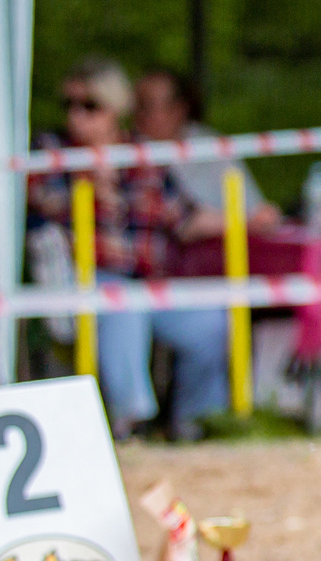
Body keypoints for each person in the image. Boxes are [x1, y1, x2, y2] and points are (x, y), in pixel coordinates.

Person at [29, 58, 230, 438]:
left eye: (89, 105)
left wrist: (248, 219)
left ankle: (199, 425)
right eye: (68, 105)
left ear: (115, 108)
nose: (76, 116)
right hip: (82, 284)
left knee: (210, 323)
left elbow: (182, 217)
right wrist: (83, 184)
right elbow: (39, 201)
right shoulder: (52, 151)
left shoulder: (142, 154)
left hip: (149, 281)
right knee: (124, 301)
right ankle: (132, 423)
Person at [132, 68, 283, 240]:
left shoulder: (209, 143)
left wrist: (258, 219)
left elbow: (254, 207)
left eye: (148, 105)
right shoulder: (130, 152)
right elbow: (185, 222)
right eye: (137, 105)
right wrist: (245, 222)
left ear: (179, 108)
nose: (138, 114)